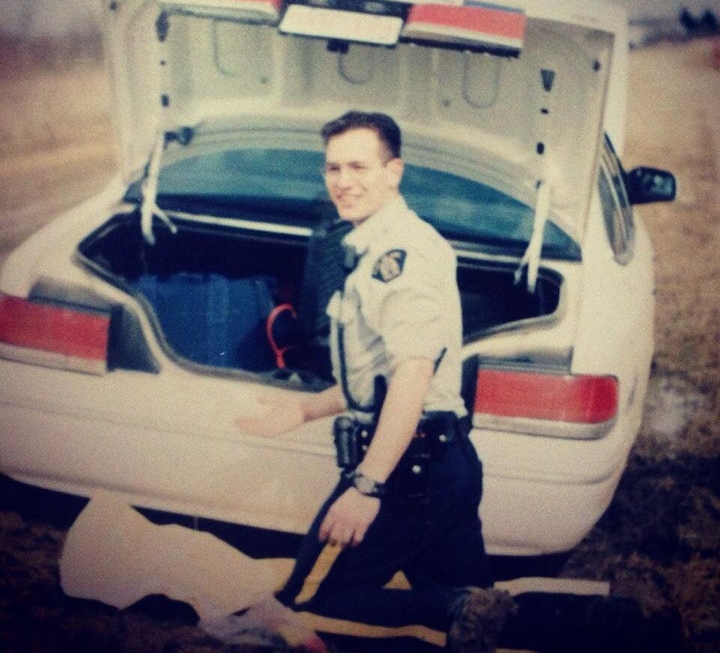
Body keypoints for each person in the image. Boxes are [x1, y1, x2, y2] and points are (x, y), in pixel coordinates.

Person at [236, 111, 681, 653]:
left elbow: (411, 381)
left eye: (359, 166)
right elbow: (380, 383)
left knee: (308, 609)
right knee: (480, 610)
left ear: (394, 171)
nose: (343, 180)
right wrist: (305, 411)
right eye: (333, 167)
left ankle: (484, 617)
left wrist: (367, 486)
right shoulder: (375, 247)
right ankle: (622, 627)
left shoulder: (400, 261)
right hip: (439, 466)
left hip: (406, 475)